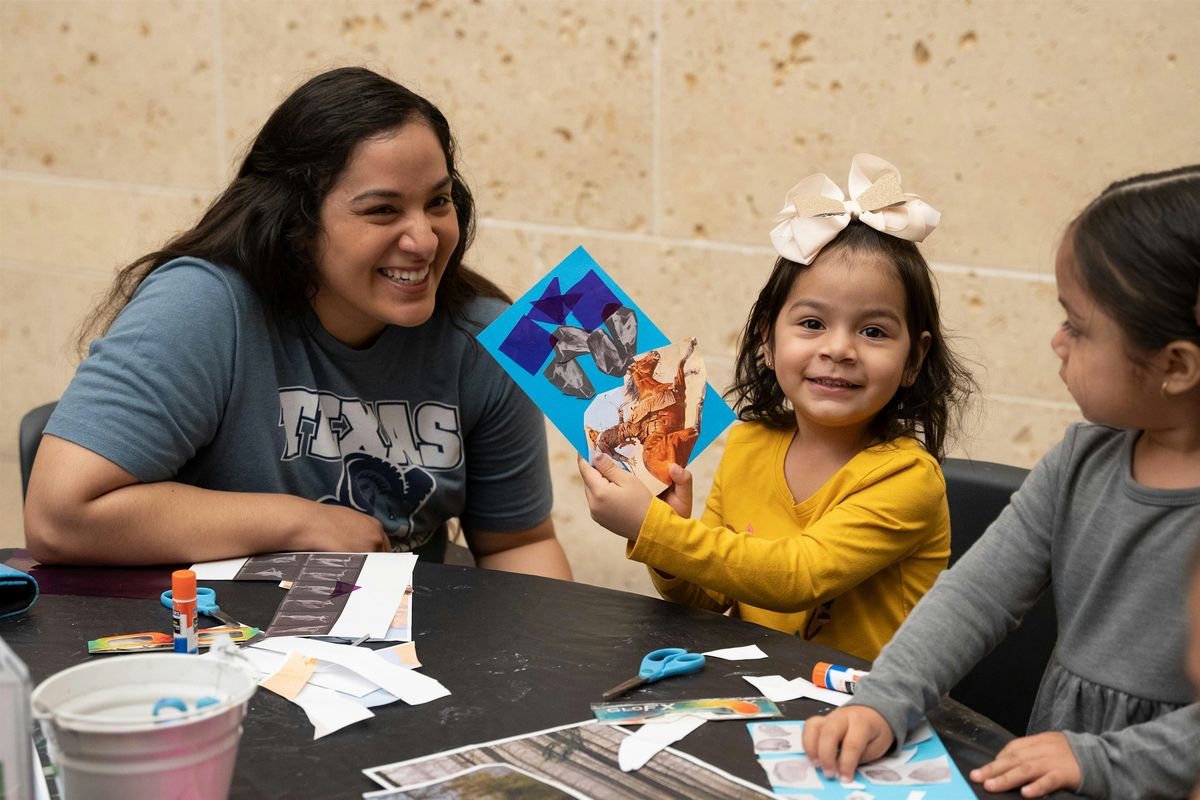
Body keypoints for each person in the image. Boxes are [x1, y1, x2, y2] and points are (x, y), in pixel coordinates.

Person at [23, 67, 572, 580]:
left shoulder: (487, 336)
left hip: (406, 658)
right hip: (208, 647)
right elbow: (57, 517)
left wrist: (548, 672)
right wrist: (301, 523)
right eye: (382, 210)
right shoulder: (204, 304)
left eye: (438, 202)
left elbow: (516, 544)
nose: (424, 240)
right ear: (296, 225)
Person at [802, 165, 1200, 799]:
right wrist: (884, 701)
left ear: (1175, 367)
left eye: (1078, 325)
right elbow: (977, 595)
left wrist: (1107, 760)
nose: (1057, 341)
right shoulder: (1079, 462)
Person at [578, 154, 975, 660]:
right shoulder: (749, 443)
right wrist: (671, 538)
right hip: (762, 700)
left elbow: (797, 576)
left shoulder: (907, 479)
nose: (838, 349)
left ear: (914, 359)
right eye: (812, 323)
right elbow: (711, 597)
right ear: (767, 339)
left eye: (873, 331)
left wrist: (653, 531)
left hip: (867, 713)